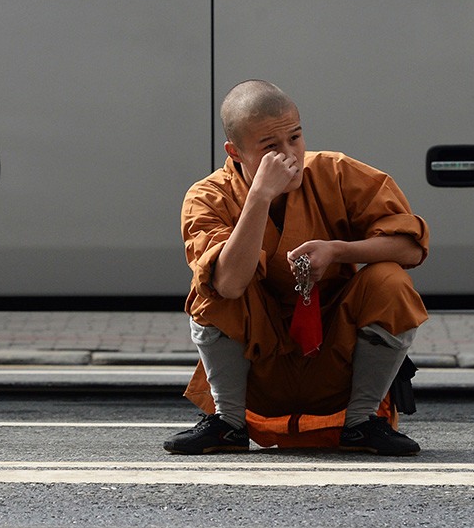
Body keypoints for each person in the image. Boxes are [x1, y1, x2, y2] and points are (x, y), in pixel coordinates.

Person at [164, 80, 429, 455]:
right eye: (270, 147)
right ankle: (228, 423)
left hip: (334, 359)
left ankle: (362, 422)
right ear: (235, 152)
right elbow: (228, 285)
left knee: (390, 281)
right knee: (209, 287)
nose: (290, 155)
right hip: (259, 371)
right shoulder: (209, 196)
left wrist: (337, 250)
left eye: (295, 137)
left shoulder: (334, 173)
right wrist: (259, 196)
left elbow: (411, 247)